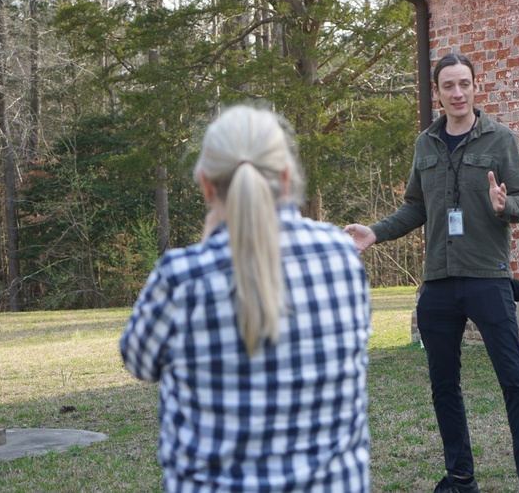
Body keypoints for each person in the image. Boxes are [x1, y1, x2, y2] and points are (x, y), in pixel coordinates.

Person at [120, 105, 371, 493]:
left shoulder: (181, 277)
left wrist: (208, 247)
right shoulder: (340, 255)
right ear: (287, 178)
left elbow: (138, 361)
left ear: (205, 184)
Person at [345, 53, 519, 493]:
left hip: (487, 278)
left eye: (464, 84)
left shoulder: (500, 139)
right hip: (437, 281)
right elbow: (416, 207)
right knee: (443, 386)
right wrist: (374, 234)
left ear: (476, 86)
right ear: (437, 93)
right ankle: (460, 478)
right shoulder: (426, 144)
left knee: (514, 381)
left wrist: (504, 206)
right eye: (448, 86)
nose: (457, 93)